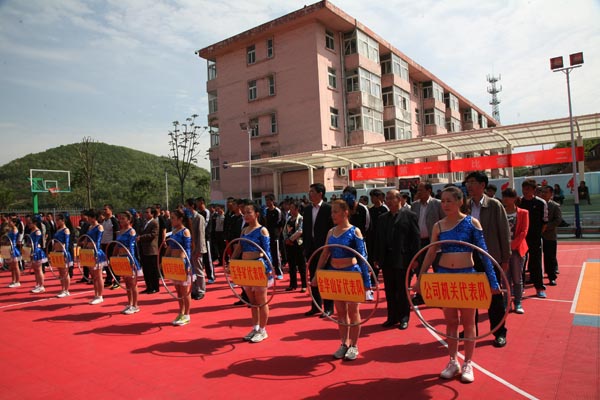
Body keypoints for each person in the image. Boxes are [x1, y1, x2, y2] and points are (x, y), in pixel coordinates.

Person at [418, 186, 500, 383]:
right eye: (443, 201)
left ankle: (468, 363)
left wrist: (493, 281)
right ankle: (453, 360)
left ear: (460, 201)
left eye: (449, 200)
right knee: (451, 322)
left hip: (467, 277)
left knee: (468, 322)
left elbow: (484, 253)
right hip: (445, 276)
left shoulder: (472, 223)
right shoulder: (438, 226)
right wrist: (421, 276)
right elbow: (431, 252)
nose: (445, 204)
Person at [312, 199, 371, 360]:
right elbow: (325, 254)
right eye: (332, 212)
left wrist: (367, 282)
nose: (333, 215)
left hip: (351, 274)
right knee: (341, 312)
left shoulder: (355, 231)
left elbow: (362, 258)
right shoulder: (331, 232)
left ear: (345, 212)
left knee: (353, 311)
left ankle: (354, 345)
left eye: (336, 212)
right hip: (335, 275)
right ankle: (344, 343)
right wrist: (317, 274)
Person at [465, 171, 511, 348]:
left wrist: (505, 258)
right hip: (469, 258)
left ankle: (499, 331)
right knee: (470, 296)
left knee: (494, 295)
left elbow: (504, 232)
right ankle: (470, 329)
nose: (469, 186)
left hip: (490, 257)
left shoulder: (494, 205)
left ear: (483, 185)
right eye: (468, 182)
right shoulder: (465, 206)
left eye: (473, 182)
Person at [374, 190, 420, 330]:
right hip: (387, 259)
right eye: (386, 198)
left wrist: (415, 258)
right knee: (389, 290)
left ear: (399, 199)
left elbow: (415, 239)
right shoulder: (382, 218)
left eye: (390, 198)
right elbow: (378, 239)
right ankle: (392, 317)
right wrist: (377, 257)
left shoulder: (410, 216)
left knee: (402, 290)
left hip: (403, 259)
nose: (388, 201)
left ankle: (404, 317)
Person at [230, 202, 272, 343]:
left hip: (258, 268)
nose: (246, 215)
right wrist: (232, 262)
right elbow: (239, 247)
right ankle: (255, 327)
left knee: (261, 300)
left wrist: (268, 269)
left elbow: (267, 252)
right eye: (245, 212)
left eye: (249, 212)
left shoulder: (262, 230)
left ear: (256, 214)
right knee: (252, 301)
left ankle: (263, 330)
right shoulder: (244, 230)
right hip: (246, 268)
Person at [302, 183, 334, 318]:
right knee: (313, 277)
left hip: (324, 249)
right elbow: (306, 230)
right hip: (311, 249)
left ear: (320, 194)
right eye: (309, 192)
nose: (310, 194)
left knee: (325, 277)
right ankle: (316, 305)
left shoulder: (328, 208)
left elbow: (332, 229)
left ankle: (328, 307)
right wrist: (305, 248)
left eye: (312, 192)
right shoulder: (307, 209)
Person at [501, 188, 529, 314]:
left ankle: (518, 302)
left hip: (517, 250)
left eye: (508, 197)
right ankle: (506, 302)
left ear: (514, 198)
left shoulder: (523, 213)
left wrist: (512, 246)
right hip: (503, 251)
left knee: (517, 278)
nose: (505, 199)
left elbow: (524, 231)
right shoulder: (500, 212)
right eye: (504, 197)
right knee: (505, 279)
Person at [520, 179, 548, 298]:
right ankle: (520, 288)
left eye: (528, 189)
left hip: (535, 238)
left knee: (536, 263)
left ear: (534, 190)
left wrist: (537, 234)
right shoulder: (519, 202)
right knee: (521, 263)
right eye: (524, 189)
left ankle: (539, 287)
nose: (525, 191)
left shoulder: (541, 203)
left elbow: (545, 222)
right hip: (522, 238)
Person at [165, 209, 193, 326]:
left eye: (173, 218)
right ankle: (181, 312)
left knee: (185, 290)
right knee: (178, 290)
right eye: (171, 218)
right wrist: (164, 259)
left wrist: (187, 265)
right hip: (174, 262)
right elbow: (170, 247)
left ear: (180, 219)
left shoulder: (185, 231)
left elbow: (187, 249)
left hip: (182, 262)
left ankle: (187, 314)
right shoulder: (174, 231)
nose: (171, 220)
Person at [114, 211, 141, 315]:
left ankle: (135, 305)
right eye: (120, 219)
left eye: (123, 219)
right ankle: (129, 303)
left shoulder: (131, 231)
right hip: (121, 258)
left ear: (129, 220)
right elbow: (117, 245)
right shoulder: (121, 231)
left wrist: (131, 261)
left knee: (133, 283)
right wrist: (113, 256)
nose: (120, 220)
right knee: (127, 283)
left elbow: (131, 247)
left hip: (129, 258)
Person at [84, 209, 108, 305]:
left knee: (98, 275)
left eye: (89, 217)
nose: (88, 219)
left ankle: (100, 295)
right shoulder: (90, 227)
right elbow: (87, 239)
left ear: (93, 217)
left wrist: (96, 253)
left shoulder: (99, 227)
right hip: (89, 252)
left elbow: (98, 241)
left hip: (96, 252)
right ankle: (96, 294)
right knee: (93, 276)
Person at [541, 185, 561, 286]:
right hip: (537, 235)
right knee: (535, 257)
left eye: (546, 192)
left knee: (550, 257)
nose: (543, 194)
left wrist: (546, 227)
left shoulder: (555, 206)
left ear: (551, 194)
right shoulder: (538, 204)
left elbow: (558, 220)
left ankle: (551, 277)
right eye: (542, 192)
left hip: (550, 235)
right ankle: (535, 277)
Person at [283, 200, 306, 291]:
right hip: (289, 245)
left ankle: (304, 285)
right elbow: (284, 230)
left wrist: (291, 239)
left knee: (301, 265)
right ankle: (293, 284)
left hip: (298, 244)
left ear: (297, 209)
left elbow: (300, 231)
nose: (290, 209)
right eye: (290, 207)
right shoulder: (289, 218)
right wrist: (286, 239)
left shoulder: (300, 218)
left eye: (292, 208)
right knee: (291, 265)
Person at [138, 207, 160, 294]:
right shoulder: (144, 223)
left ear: (152, 214)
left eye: (147, 212)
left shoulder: (154, 223)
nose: (145, 214)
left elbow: (153, 234)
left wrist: (141, 237)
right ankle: (149, 287)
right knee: (146, 269)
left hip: (151, 249)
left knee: (152, 270)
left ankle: (155, 287)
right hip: (144, 249)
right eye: (145, 212)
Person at [26, 215, 48, 294]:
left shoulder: (37, 231)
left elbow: (35, 243)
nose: (28, 224)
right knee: (35, 270)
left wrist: (33, 252)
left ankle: (41, 286)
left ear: (35, 223)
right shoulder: (32, 231)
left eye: (30, 223)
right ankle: (38, 284)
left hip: (37, 251)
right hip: (33, 250)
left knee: (39, 269)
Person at [53, 213, 73, 298]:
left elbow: (67, 243)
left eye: (58, 220)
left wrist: (65, 254)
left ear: (63, 220)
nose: (56, 221)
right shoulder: (58, 229)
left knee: (65, 272)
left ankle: (66, 290)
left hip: (63, 252)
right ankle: (63, 288)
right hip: (57, 252)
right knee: (60, 272)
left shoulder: (66, 230)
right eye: (56, 220)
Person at [265, 194, 284, 280]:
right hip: (267, 236)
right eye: (266, 200)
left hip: (275, 236)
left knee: (276, 255)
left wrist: (278, 235)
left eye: (269, 200)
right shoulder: (265, 211)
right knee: (268, 254)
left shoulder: (277, 211)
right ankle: (270, 272)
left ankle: (279, 272)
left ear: (273, 201)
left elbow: (281, 225)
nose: (267, 202)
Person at [101, 204, 120, 289]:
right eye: (103, 209)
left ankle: (117, 280)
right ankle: (109, 279)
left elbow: (117, 234)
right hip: (104, 244)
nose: (104, 211)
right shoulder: (104, 221)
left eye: (106, 209)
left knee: (113, 263)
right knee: (106, 263)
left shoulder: (114, 221)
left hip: (111, 245)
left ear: (110, 210)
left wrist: (115, 244)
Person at [5, 217, 22, 288]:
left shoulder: (15, 230)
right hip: (9, 247)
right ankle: (13, 281)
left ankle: (17, 281)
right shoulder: (11, 229)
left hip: (13, 249)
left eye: (11, 221)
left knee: (16, 266)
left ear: (14, 223)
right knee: (12, 267)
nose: (9, 222)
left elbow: (13, 239)